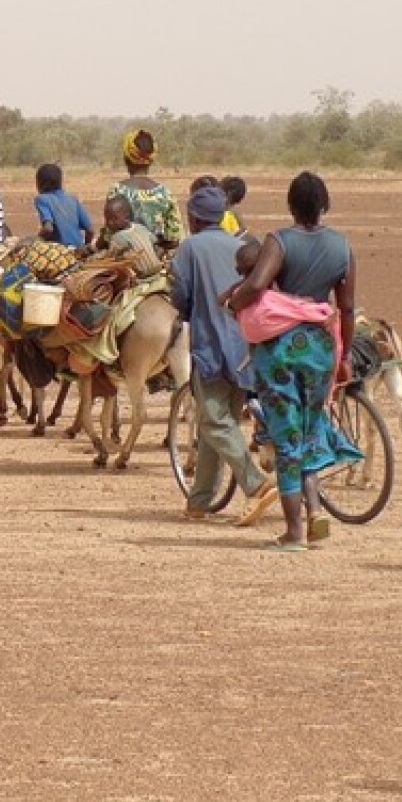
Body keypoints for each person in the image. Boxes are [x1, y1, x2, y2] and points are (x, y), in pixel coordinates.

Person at [225, 172, 362, 551]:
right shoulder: (342, 246)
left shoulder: (279, 241)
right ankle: (315, 510)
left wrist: (233, 304)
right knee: (310, 427)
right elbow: (346, 307)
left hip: (280, 349)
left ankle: (294, 532)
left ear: (290, 205)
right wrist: (345, 354)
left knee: (286, 435)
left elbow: (254, 285)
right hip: (321, 347)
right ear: (325, 205)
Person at [170, 186, 278, 525]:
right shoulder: (240, 246)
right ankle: (198, 502)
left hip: (211, 347)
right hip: (244, 346)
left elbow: (181, 294)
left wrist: (189, 314)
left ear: (194, 219)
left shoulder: (189, 249)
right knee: (217, 424)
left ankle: (256, 484)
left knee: (214, 423)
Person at [106, 129, 183, 252]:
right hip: (157, 263)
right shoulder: (165, 193)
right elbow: (174, 239)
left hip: (123, 265)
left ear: (126, 159)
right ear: (151, 160)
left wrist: (90, 249)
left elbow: (108, 236)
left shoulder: (116, 190)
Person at [88, 195, 161, 277]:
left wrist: (93, 259)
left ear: (127, 217)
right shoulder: (140, 227)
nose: (109, 223)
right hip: (158, 268)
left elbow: (110, 257)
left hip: (140, 274)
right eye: (107, 219)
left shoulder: (117, 238)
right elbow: (155, 243)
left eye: (114, 219)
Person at [33, 163, 93, 249]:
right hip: (77, 250)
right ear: (60, 181)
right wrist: (85, 247)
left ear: (39, 183)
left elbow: (48, 229)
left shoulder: (42, 199)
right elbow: (90, 230)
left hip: (59, 252)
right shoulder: (73, 199)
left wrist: (34, 242)